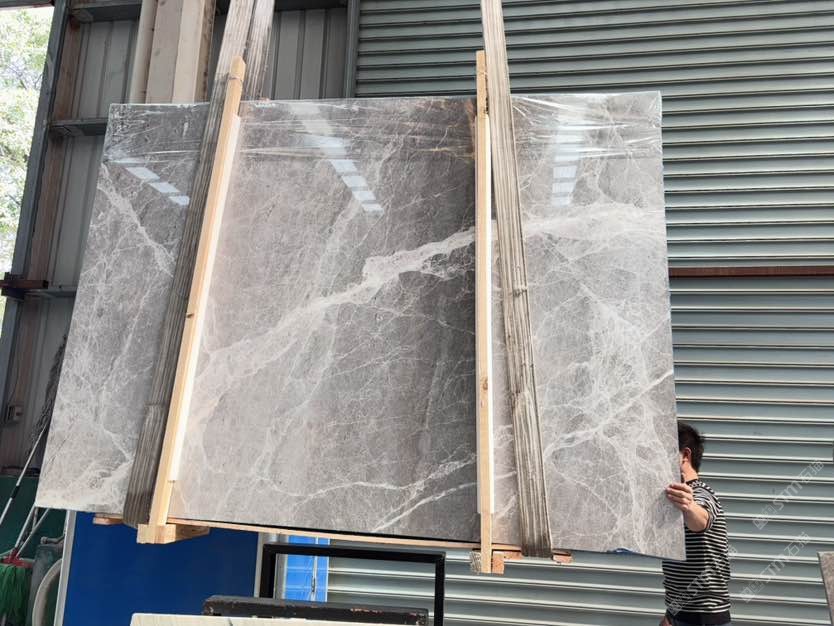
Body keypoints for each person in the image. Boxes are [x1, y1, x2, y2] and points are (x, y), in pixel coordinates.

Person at [661, 422, 732, 626]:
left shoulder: (701, 493)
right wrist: (670, 614)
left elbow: (700, 521)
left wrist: (689, 506)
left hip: (706, 618)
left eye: (664, 451)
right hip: (677, 615)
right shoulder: (672, 499)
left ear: (685, 455)